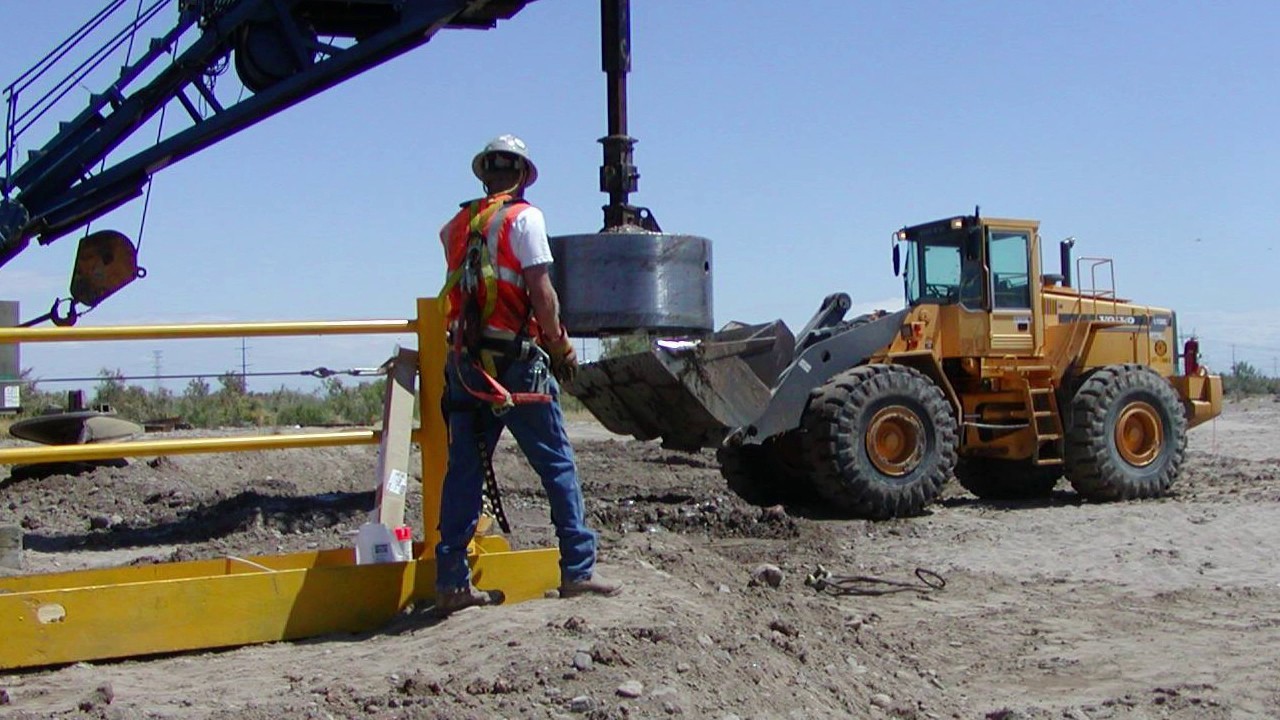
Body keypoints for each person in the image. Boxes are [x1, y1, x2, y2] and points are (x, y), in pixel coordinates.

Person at [434, 134, 622, 613]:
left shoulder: (456, 226)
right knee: (557, 464)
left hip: (467, 364)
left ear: (483, 174)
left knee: (464, 470)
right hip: (515, 364)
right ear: (521, 175)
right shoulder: (526, 218)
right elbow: (542, 292)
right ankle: (578, 569)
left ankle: (451, 581)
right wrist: (560, 348)